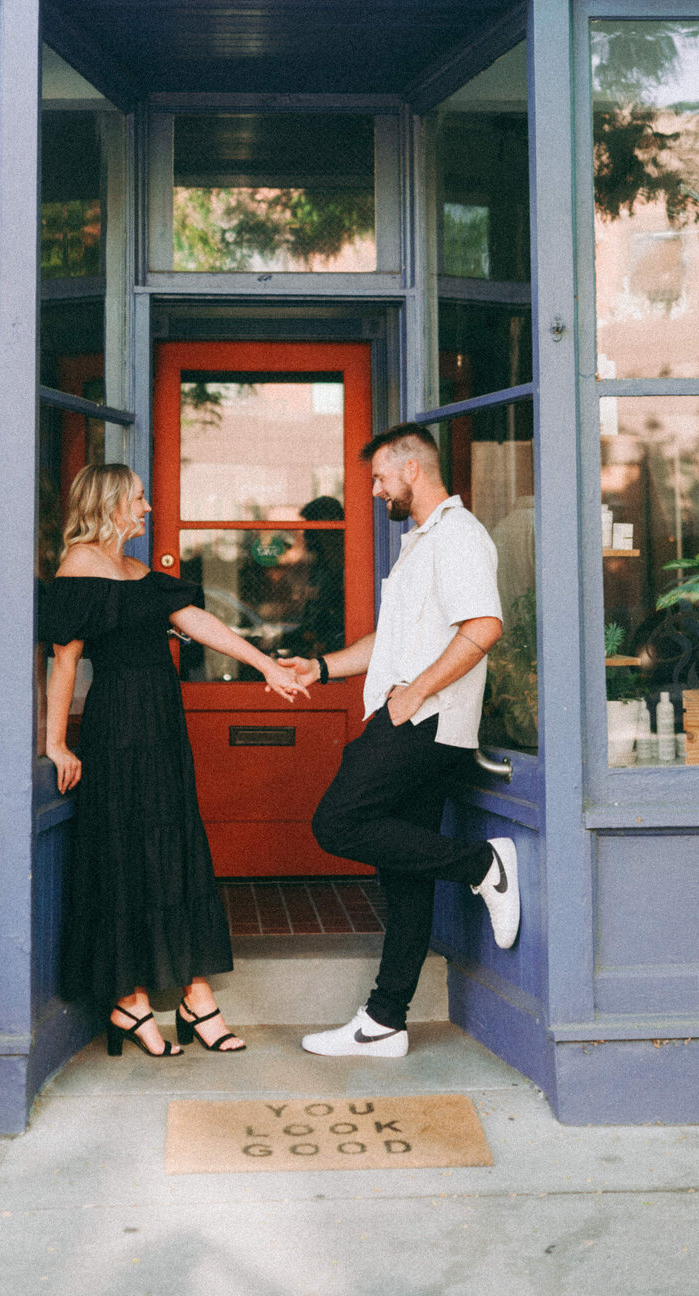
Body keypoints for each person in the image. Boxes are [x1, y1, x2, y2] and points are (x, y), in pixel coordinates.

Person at [40, 462, 307, 1060]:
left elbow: (200, 623)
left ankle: (194, 996)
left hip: (161, 728)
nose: (147, 507)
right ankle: (132, 1000)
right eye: (138, 498)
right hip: (117, 729)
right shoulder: (79, 565)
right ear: (110, 504)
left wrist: (266, 665)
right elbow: (64, 661)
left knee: (175, 847)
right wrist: (56, 743)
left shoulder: (139, 572)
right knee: (127, 851)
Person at [283, 422, 521, 1060]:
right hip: (411, 717)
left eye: (380, 478)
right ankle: (385, 1021)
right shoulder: (422, 542)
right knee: (405, 872)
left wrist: (415, 693)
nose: (374, 491)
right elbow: (391, 643)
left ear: (412, 470)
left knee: (335, 822)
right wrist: (323, 667)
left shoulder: (461, 538)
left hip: (425, 723)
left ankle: (481, 865)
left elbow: (485, 625)